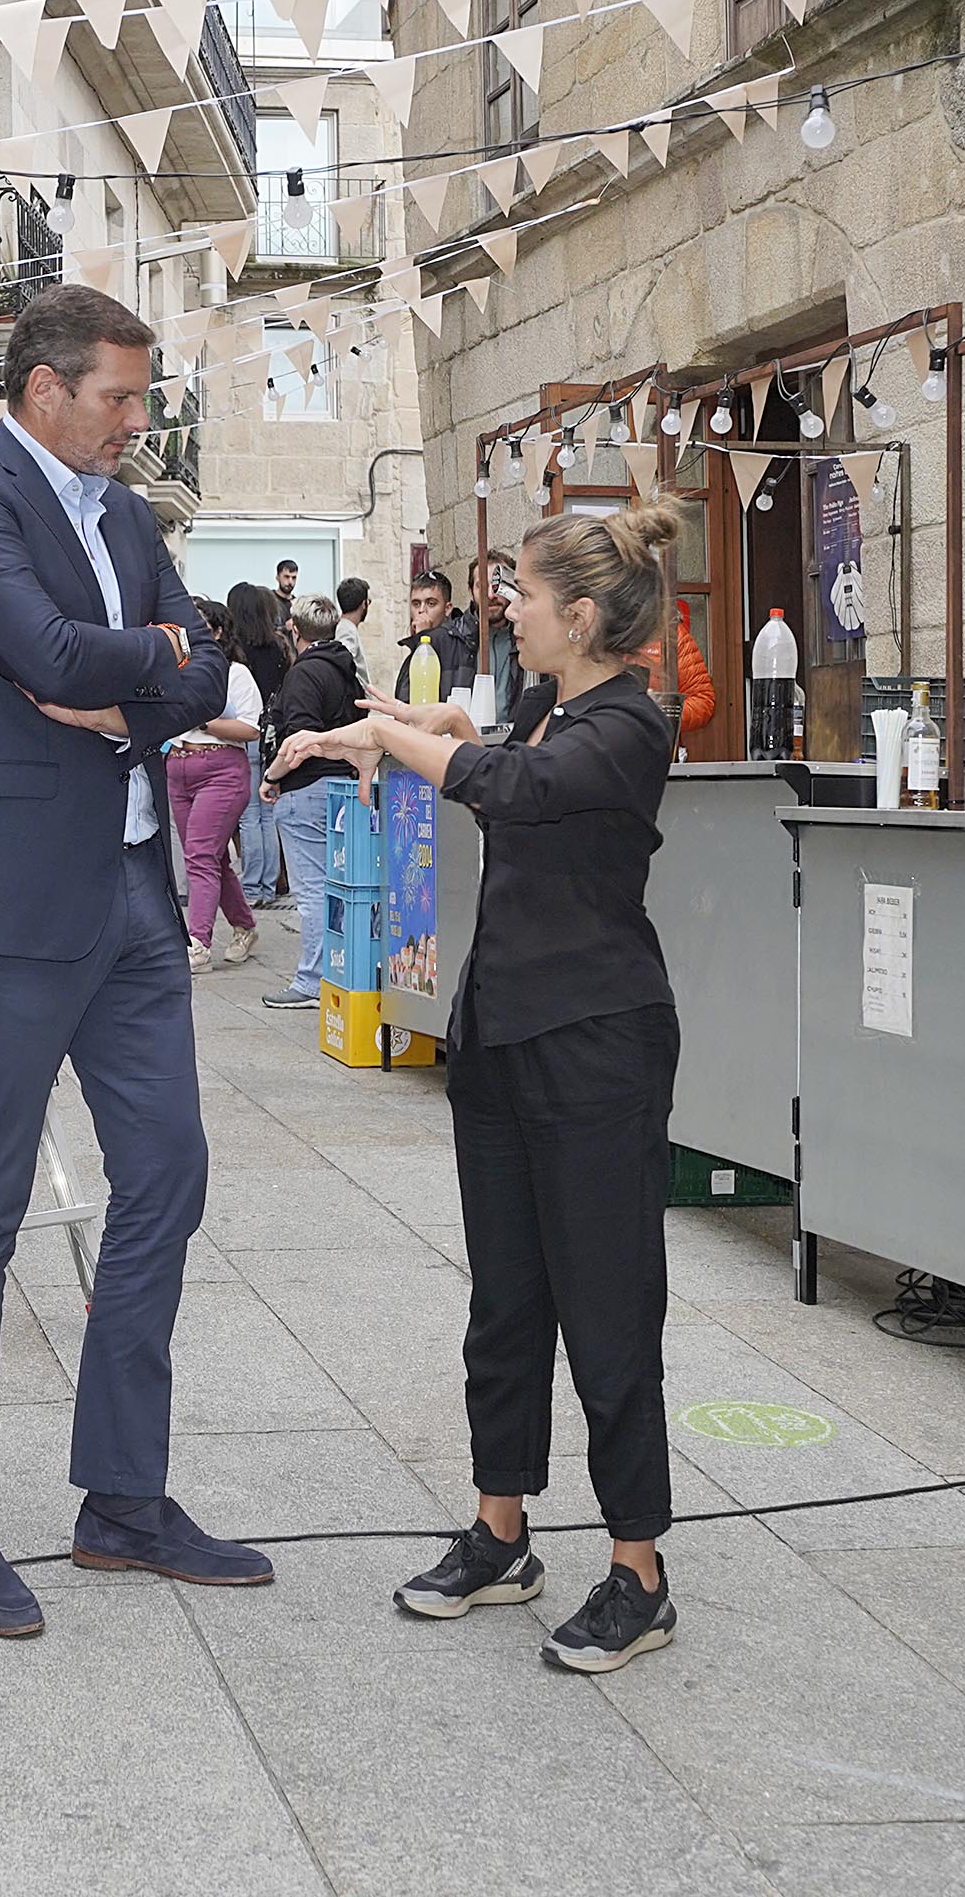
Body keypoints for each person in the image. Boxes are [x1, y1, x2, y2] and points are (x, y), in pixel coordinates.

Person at [0, 284, 259, 1641]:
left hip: (131, 889)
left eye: (138, 393)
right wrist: (144, 666)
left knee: (166, 1174)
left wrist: (143, 667)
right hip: (8, 905)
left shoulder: (124, 512)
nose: (133, 418)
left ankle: (122, 1498)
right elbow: (43, 650)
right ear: (42, 387)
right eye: (116, 394)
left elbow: (213, 673)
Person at [273, 502, 689, 1675]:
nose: (505, 602)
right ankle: (501, 1529)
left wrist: (395, 736)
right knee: (505, 1301)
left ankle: (639, 1570)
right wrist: (404, 722)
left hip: (598, 1045)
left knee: (608, 1310)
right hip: (504, 1033)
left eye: (521, 590)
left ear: (584, 614)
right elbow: (493, 741)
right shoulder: (563, 706)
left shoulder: (631, 726)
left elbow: (511, 783)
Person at [258, 597, 362, 1013]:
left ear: (294, 630)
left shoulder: (305, 674)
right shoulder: (346, 671)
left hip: (307, 789)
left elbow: (297, 741)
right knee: (338, 886)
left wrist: (272, 776)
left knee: (314, 889)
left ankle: (313, 980)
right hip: (342, 786)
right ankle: (337, 973)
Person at [163, 623, 263, 969]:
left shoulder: (235, 673)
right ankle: (244, 926)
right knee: (212, 857)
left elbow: (250, 728)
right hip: (178, 766)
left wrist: (203, 719)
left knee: (200, 854)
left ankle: (198, 942)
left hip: (221, 768)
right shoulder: (176, 671)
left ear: (218, 632)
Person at [224, 583, 290, 905]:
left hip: (246, 731)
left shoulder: (238, 651)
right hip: (273, 736)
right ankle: (268, 885)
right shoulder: (277, 647)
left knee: (249, 815)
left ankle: (251, 888)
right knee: (267, 815)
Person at [396, 571, 480, 705]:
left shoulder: (459, 643)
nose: (421, 611)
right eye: (416, 604)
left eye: (431, 603)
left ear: (447, 609)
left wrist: (426, 637)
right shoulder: (415, 648)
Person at [334, 574, 375, 688]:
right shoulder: (346, 630)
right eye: (368, 601)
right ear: (363, 604)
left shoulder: (344, 627)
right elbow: (343, 664)